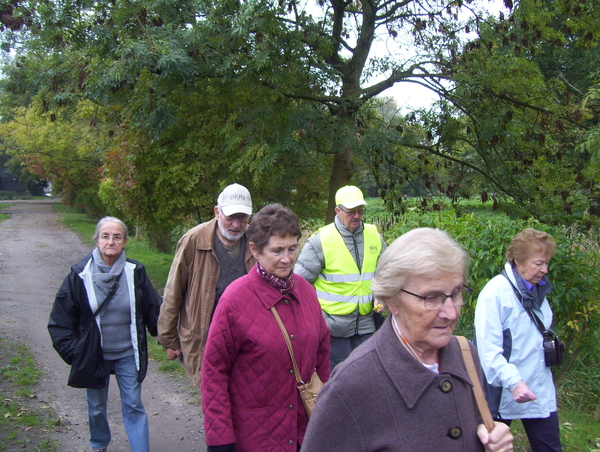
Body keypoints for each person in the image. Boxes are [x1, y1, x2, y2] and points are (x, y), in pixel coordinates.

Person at [302, 227, 514, 452]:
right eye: (432, 298)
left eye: (456, 293)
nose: (451, 313)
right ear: (392, 300)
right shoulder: (351, 385)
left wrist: (490, 438)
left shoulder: (465, 355)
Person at [201, 204, 330, 452]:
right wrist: (220, 438)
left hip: (304, 432)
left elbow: (322, 357)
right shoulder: (235, 299)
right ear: (255, 250)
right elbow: (214, 371)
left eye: (293, 248)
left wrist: (325, 411)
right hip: (255, 435)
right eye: (277, 250)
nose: (287, 258)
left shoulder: (306, 291)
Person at [48, 216, 162, 452]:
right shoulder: (79, 274)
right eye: (105, 236)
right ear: (97, 240)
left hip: (127, 353)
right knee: (97, 406)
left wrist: (168, 339)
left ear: (124, 242)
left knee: (133, 404)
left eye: (117, 236)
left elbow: (154, 310)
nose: (111, 241)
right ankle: (99, 444)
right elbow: (60, 320)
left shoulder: (135, 272)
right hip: (93, 354)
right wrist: (76, 353)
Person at [157, 183, 255, 386]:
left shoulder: (255, 243)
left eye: (242, 218)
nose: (236, 225)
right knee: (213, 402)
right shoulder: (193, 240)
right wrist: (169, 338)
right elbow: (173, 292)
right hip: (205, 339)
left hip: (245, 340)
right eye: (231, 217)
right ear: (217, 212)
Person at [474, 228, 562, 452]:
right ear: (518, 260)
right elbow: (488, 351)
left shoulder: (539, 291)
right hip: (503, 391)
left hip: (538, 389)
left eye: (546, 263)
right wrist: (514, 382)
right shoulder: (494, 293)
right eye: (538, 263)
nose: (544, 270)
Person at [294, 185, 386, 368]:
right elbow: (298, 283)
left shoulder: (374, 236)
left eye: (360, 211)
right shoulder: (321, 240)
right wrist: (318, 317)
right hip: (333, 330)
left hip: (367, 326)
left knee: (365, 377)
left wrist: (382, 293)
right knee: (336, 380)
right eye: (352, 212)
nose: (357, 216)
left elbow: (389, 271)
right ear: (338, 211)